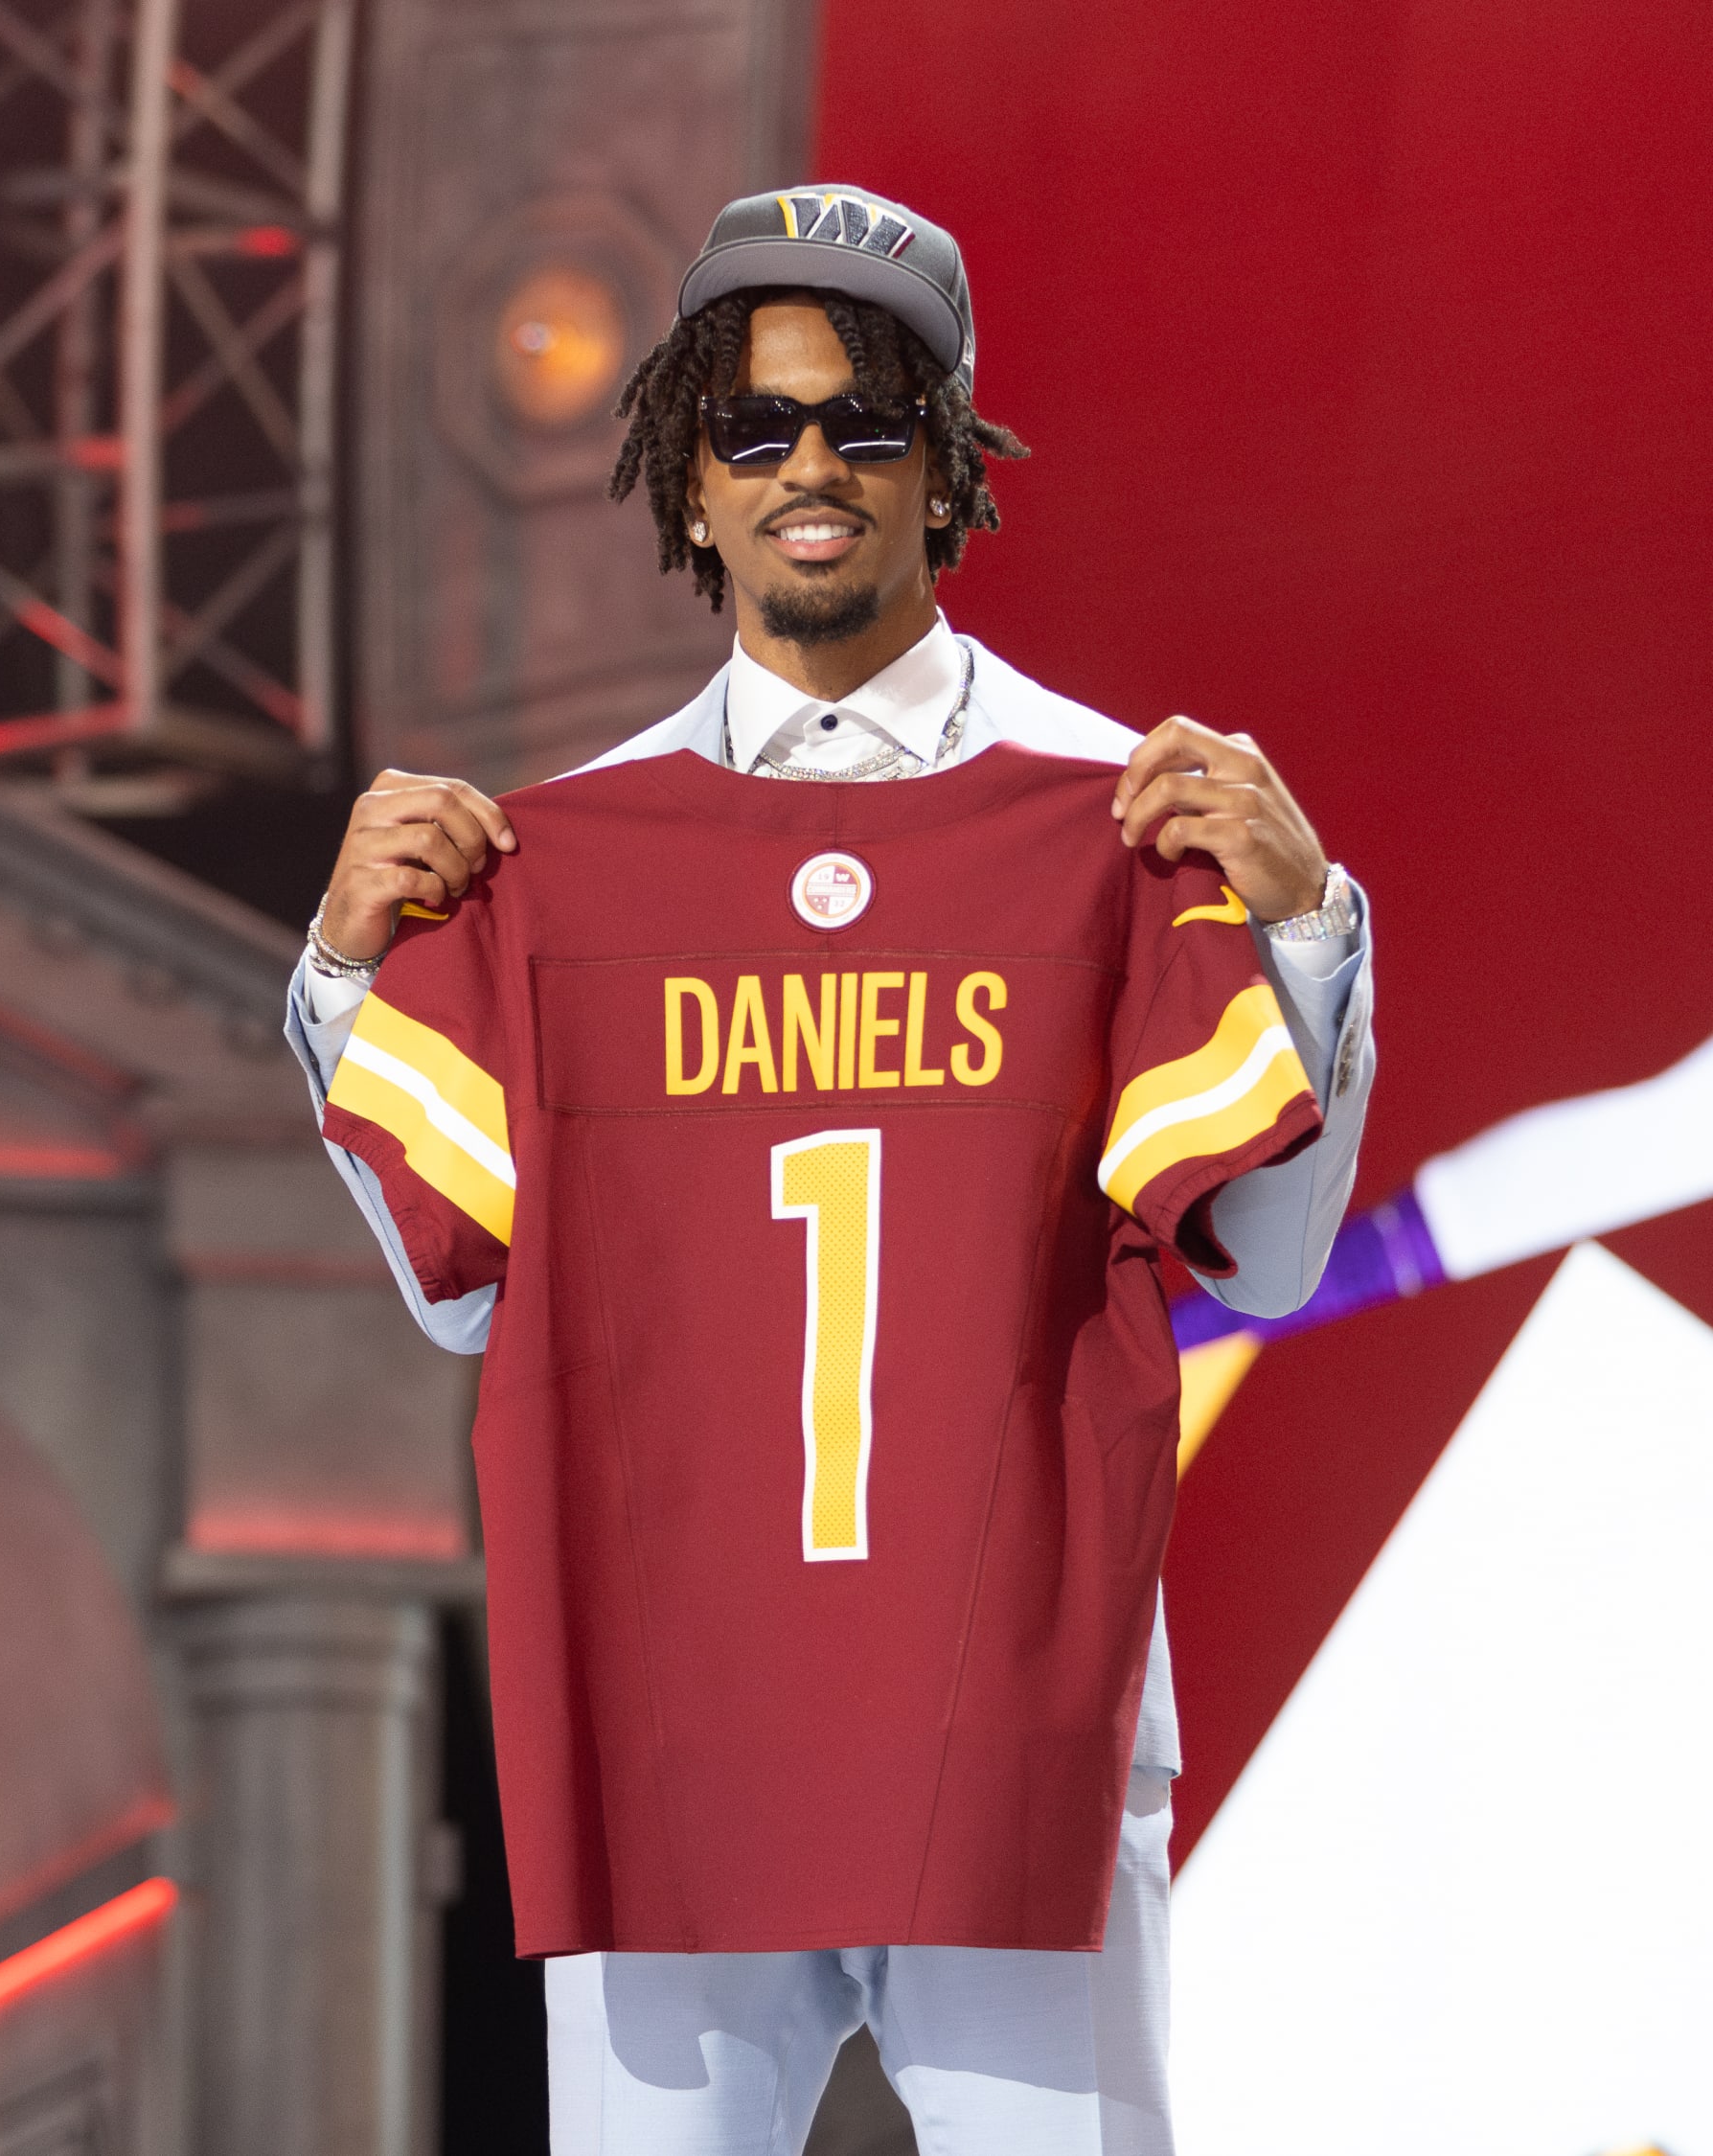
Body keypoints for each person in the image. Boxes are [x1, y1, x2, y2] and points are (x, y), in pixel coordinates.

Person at [286, 186, 1375, 2156]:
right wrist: (346, 984)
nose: (811, 466)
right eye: (755, 422)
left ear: (948, 471)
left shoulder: (1124, 821)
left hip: (1015, 1726)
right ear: (685, 476)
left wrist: (1310, 943)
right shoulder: (552, 873)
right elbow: (458, 1288)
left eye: (868, 421)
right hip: (671, 1717)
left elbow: (1274, 1263)